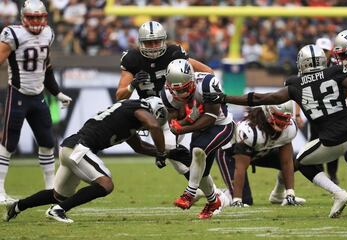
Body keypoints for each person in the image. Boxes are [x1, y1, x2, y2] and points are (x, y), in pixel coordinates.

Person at [203, 44, 347, 218]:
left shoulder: (296, 84)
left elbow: (260, 98)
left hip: (332, 138)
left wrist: (225, 97)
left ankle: (339, 193)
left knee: (301, 162)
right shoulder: (336, 72)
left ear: (302, 63)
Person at [116, 20, 252, 202]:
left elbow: (207, 72)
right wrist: (133, 85)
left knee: (175, 151)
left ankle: (206, 192)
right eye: (149, 43)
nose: (154, 46)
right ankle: (207, 192)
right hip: (155, 113)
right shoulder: (133, 59)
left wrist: (195, 100)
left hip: (176, 110)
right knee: (176, 157)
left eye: (157, 41)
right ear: (141, 43)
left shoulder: (173, 53)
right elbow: (120, 95)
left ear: (163, 40)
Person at [4, 97, 170, 223]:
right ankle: (58, 210)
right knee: (106, 183)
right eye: (150, 121)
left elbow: (139, 147)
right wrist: (162, 152)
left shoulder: (128, 117)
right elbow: (154, 125)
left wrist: (168, 154)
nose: (147, 127)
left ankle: (18, 206)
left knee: (59, 195)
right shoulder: (138, 107)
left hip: (70, 148)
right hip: (79, 148)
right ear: (152, 110)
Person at [0, 0, 72, 203]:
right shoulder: (12, 34)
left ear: (45, 18)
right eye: (31, 17)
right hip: (18, 94)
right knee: (9, 143)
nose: (35, 21)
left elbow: (46, 67)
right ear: (23, 17)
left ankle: (51, 189)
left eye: (39, 17)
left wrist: (57, 93)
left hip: (39, 96)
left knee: (48, 142)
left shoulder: (48, 33)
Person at [161, 59, 234, 219]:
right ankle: (214, 202)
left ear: (192, 79)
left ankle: (189, 193)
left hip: (221, 126)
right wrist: (184, 121)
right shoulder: (166, 93)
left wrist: (185, 126)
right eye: (177, 91)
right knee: (203, 173)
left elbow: (210, 117)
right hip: (200, 129)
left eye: (185, 89)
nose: (181, 94)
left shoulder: (207, 82)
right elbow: (173, 123)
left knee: (198, 151)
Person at [295, 37, 347, 185]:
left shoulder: (336, 65)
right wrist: (297, 114)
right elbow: (296, 92)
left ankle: (332, 175)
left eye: (326, 51)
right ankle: (322, 176)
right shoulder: (305, 67)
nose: (324, 54)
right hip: (316, 112)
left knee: (334, 143)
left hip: (335, 111)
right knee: (315, 142)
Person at [230, 101, 305, 207]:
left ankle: (280, 195)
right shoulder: (250, 131)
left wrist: (290, 194)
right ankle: (218, 193)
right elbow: (240, 167)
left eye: (284, 118)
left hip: (260, 151)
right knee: (245, 200)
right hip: (231, 155)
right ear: (268, 113)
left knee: (296, 160)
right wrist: (237, 200)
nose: (282, 122)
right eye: (278, 117)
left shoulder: (289, 129)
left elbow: (287, 162)